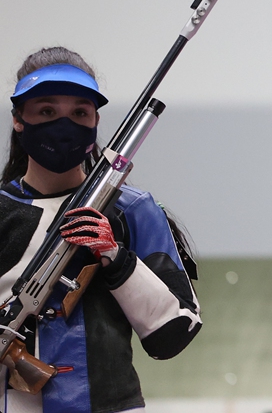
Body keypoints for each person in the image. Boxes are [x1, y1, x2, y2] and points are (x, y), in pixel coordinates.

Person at [1, 48, 202, 413]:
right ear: (19, 118)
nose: (64, 126)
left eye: (79, 113)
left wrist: (117, 258)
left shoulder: (132, 210)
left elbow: (175, 332)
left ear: (95, 122)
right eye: (47, 111)